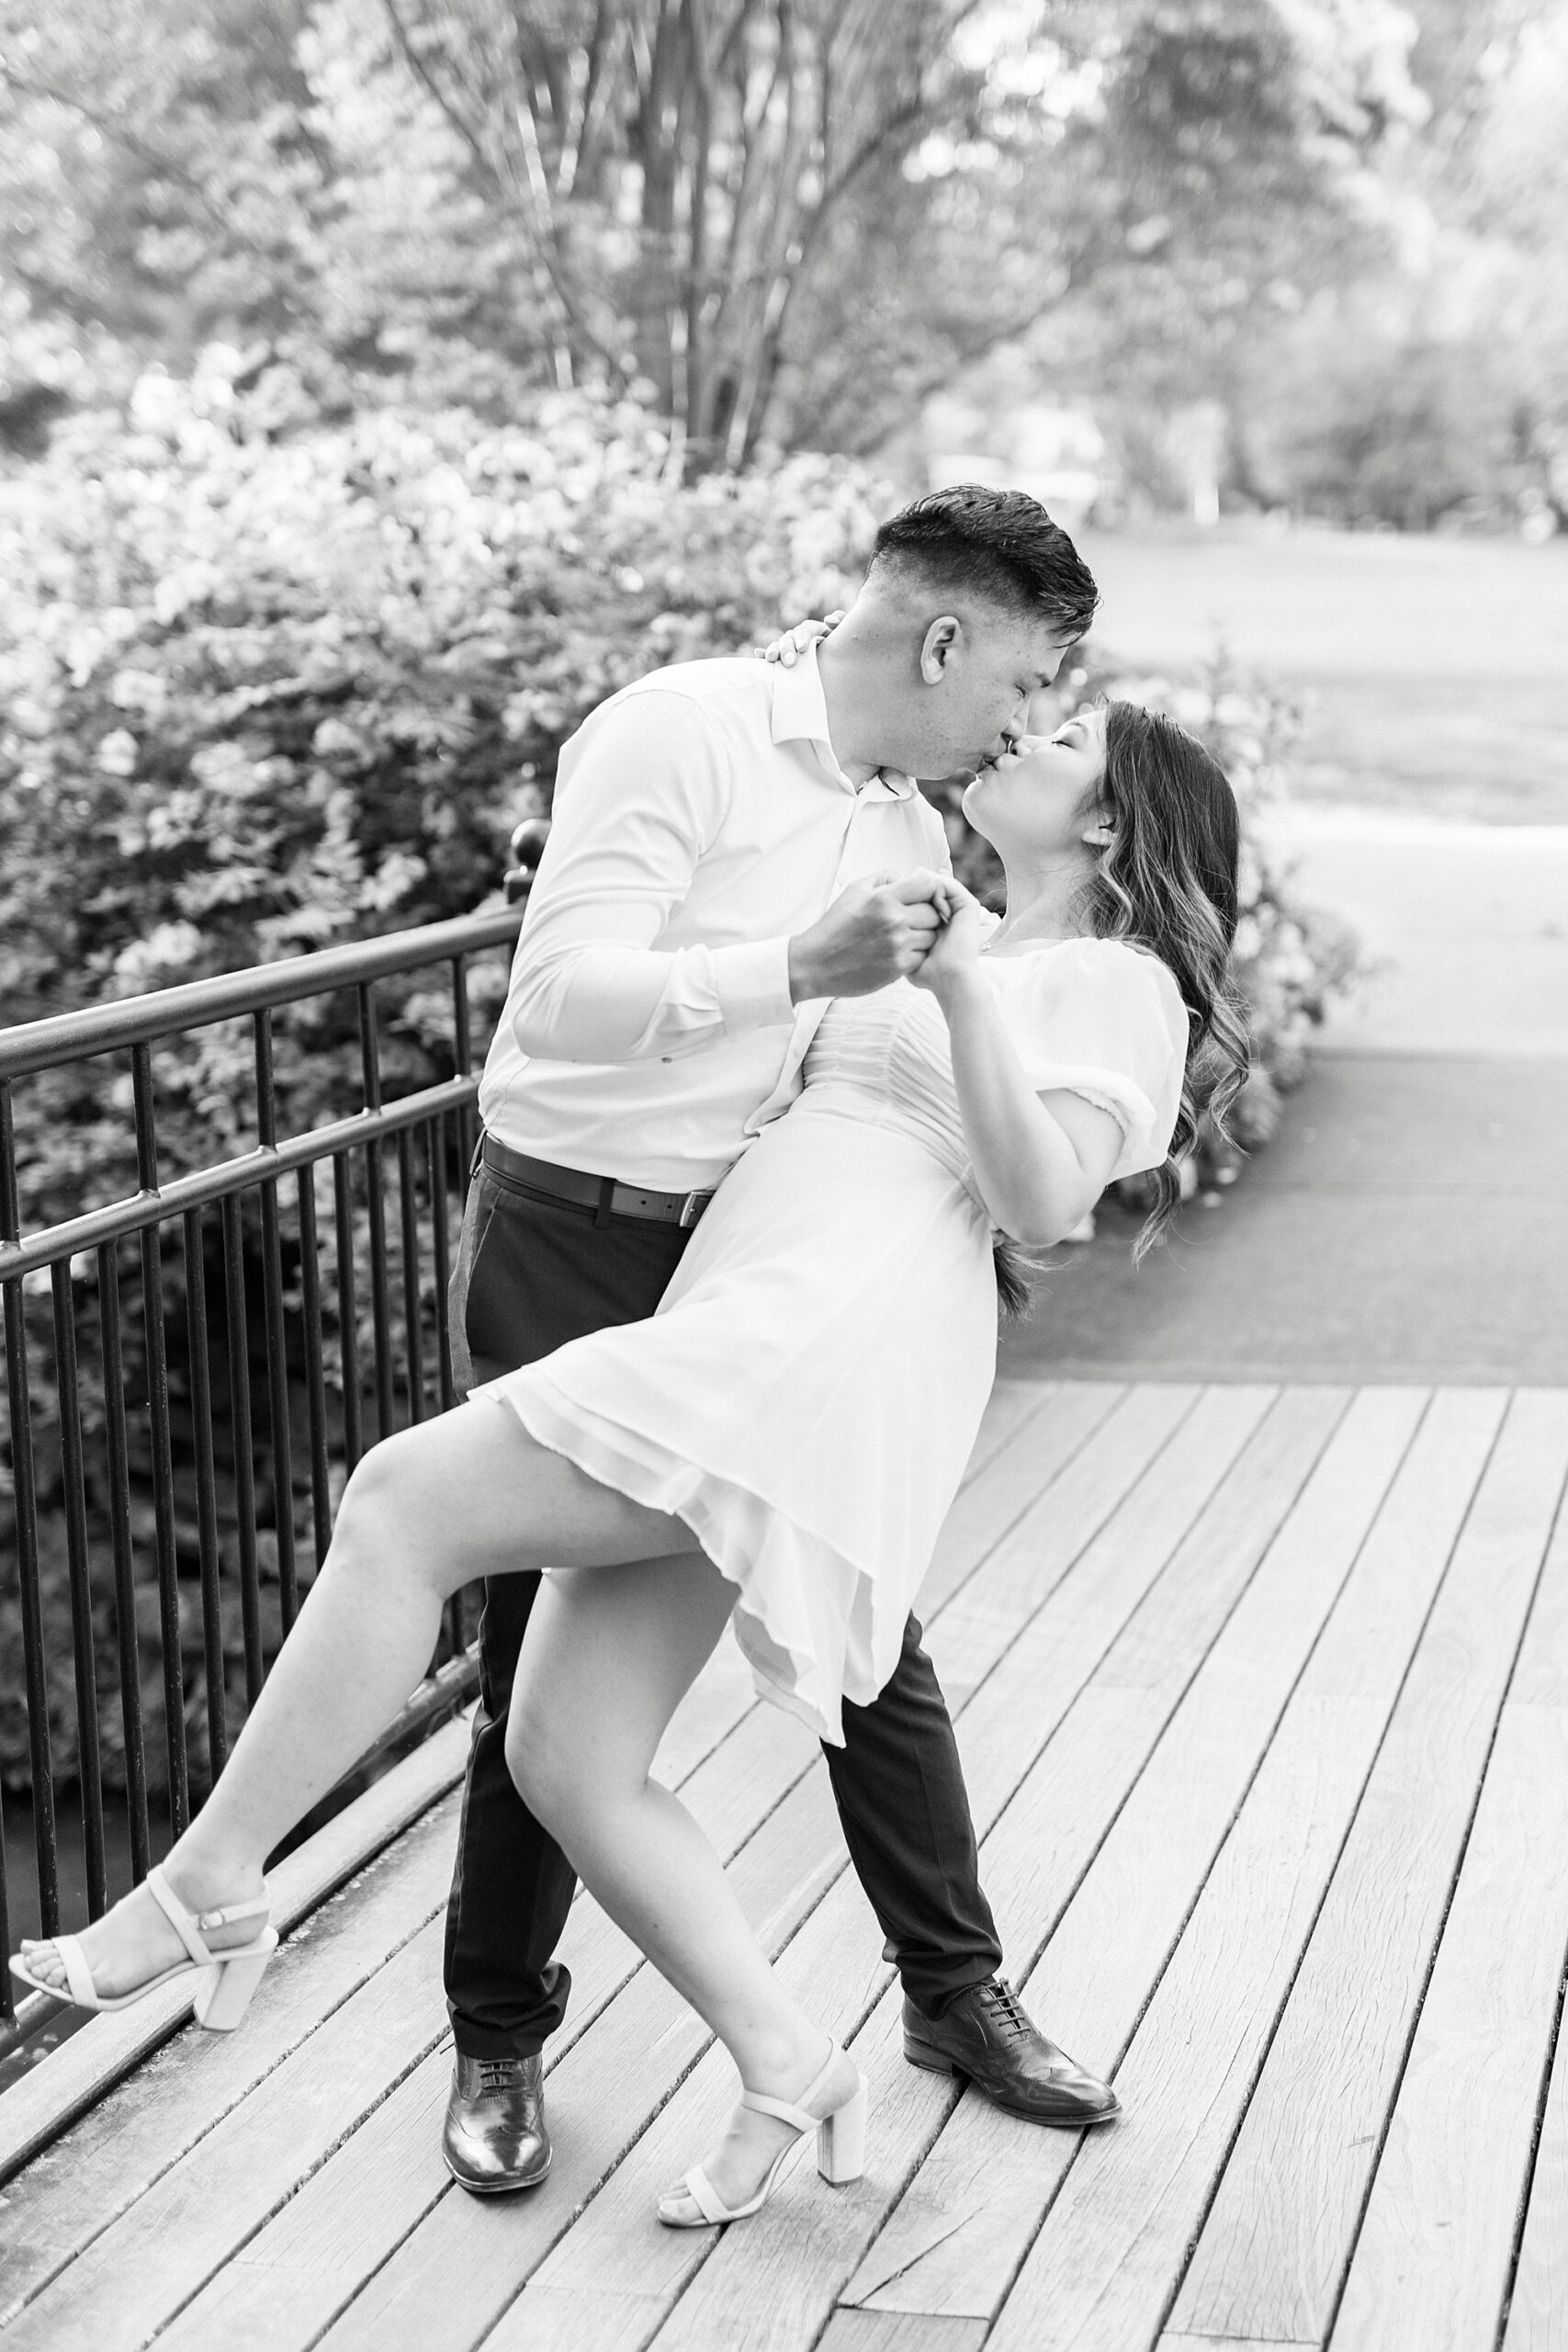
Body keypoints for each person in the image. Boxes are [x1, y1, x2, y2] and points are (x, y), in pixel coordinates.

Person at [14, 513, 1247, 2234]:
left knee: (408, 1505)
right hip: (624, 1254)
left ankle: (214, 1882)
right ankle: (773, 2062)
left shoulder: (1068, 956)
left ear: (1105, 818)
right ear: (951, 649)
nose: (1031, 723)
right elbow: (568, 997)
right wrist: (828, 968)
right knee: (562, 1739)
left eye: (1061, 722)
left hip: (793, 1334)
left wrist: (952, 984)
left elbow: (1036, 1189)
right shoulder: (716, 744)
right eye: (1035, 690)